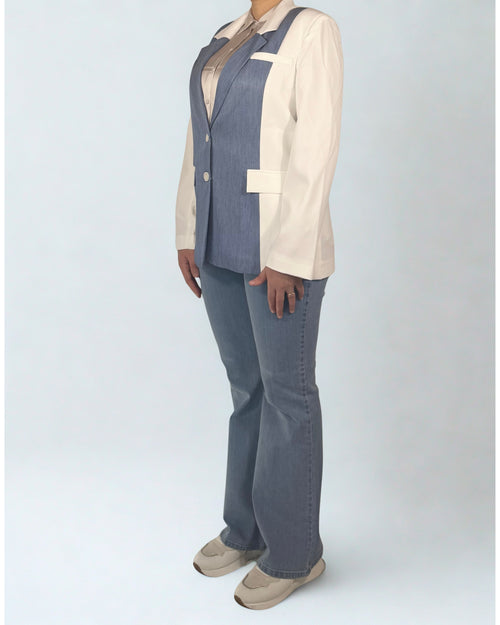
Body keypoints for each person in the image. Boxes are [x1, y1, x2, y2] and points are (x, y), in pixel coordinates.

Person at [175, 0, 343, 610]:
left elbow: (316, 149)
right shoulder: (227, 34)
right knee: (246, 391)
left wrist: (290, 254)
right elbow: (199, 139)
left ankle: (295, 552)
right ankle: (245, 530)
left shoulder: (312, 31)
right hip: (218, 237)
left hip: (276, 248)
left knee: (286, 397)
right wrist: (188, 228)